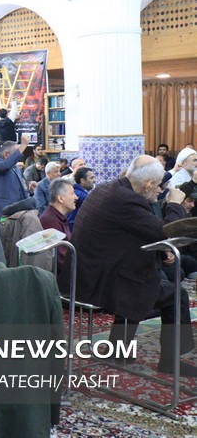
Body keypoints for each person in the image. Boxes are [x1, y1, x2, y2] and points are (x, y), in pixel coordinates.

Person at [69, 155, 197, 376]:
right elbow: (165, 232)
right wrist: (175, 204)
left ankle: (118, 350)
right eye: (159, 186)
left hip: (88, 273)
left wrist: (161, 251)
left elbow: (133, 234)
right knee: (176, 295)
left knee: (143, 276)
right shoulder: (126, 200)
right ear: (148, 184)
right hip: (99, 282)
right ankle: (170, 361)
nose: (160, 191)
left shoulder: (110, 189)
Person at [0, 135, 31, 218]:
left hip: (18, 210)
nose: (18, 157)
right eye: (16, 153)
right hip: (3, 213)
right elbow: (6, 165)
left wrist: (30, 189)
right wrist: (23, 145)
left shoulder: (15, 167)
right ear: (6, 154)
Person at [39, 178, 77, 271]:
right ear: (60, 198)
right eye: (72, 193)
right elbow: (62, 260)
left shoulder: (58, 217)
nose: (76, 197)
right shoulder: (50, 221)